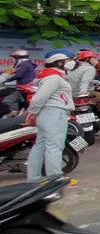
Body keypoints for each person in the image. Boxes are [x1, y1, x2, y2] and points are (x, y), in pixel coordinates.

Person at [24, 50, 74, 181]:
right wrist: (33, 113)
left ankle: (34, 178)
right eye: (67, 60)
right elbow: (38, 99)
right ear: (58, 62)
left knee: (40, 146)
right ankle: (55, 180)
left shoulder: (50, 76)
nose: (70, 63)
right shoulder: (54, 78)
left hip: (48, 114)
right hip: (54, 113)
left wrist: (34, 113)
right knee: (55, 147)